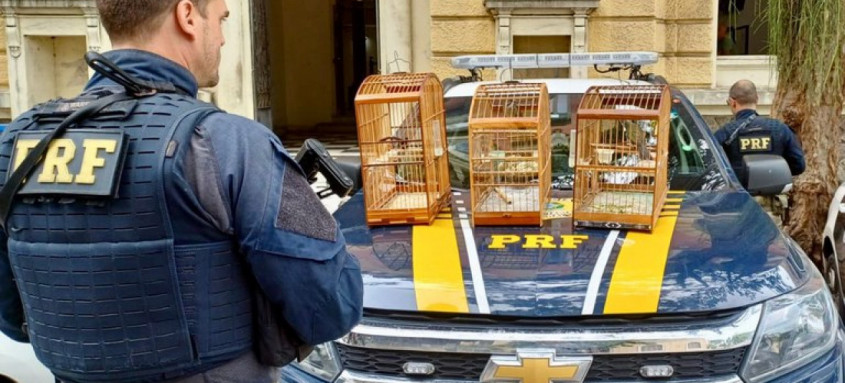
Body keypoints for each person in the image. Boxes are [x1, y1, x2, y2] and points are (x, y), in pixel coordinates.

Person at [0, 1, 363, 382]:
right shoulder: (230, 145)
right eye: (221, 19)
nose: (222, 38)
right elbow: (330, 307)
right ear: (187, 15)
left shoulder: (17, 145)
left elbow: (13, 318)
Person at [714, 79, 805, 225]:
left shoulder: (725, 133)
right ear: (757, 99)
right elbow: (799, 166)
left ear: (732, 102)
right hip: (770, 210)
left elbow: (710, 167)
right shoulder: (780, 129)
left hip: (735, 208)